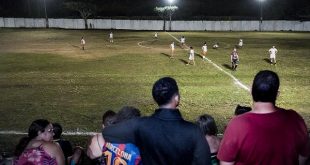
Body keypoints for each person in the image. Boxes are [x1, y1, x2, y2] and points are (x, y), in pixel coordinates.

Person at [103, 77, 211, 165]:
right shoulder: (194, 131)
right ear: (177, 98)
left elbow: (107, 133)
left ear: (156, 99)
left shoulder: (140, 125)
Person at [218, 70, 310, 165]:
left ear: (251, 91)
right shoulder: (295, 119)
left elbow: (225, 163)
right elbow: (304, 155)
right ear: (277, 94)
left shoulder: (237, 124)